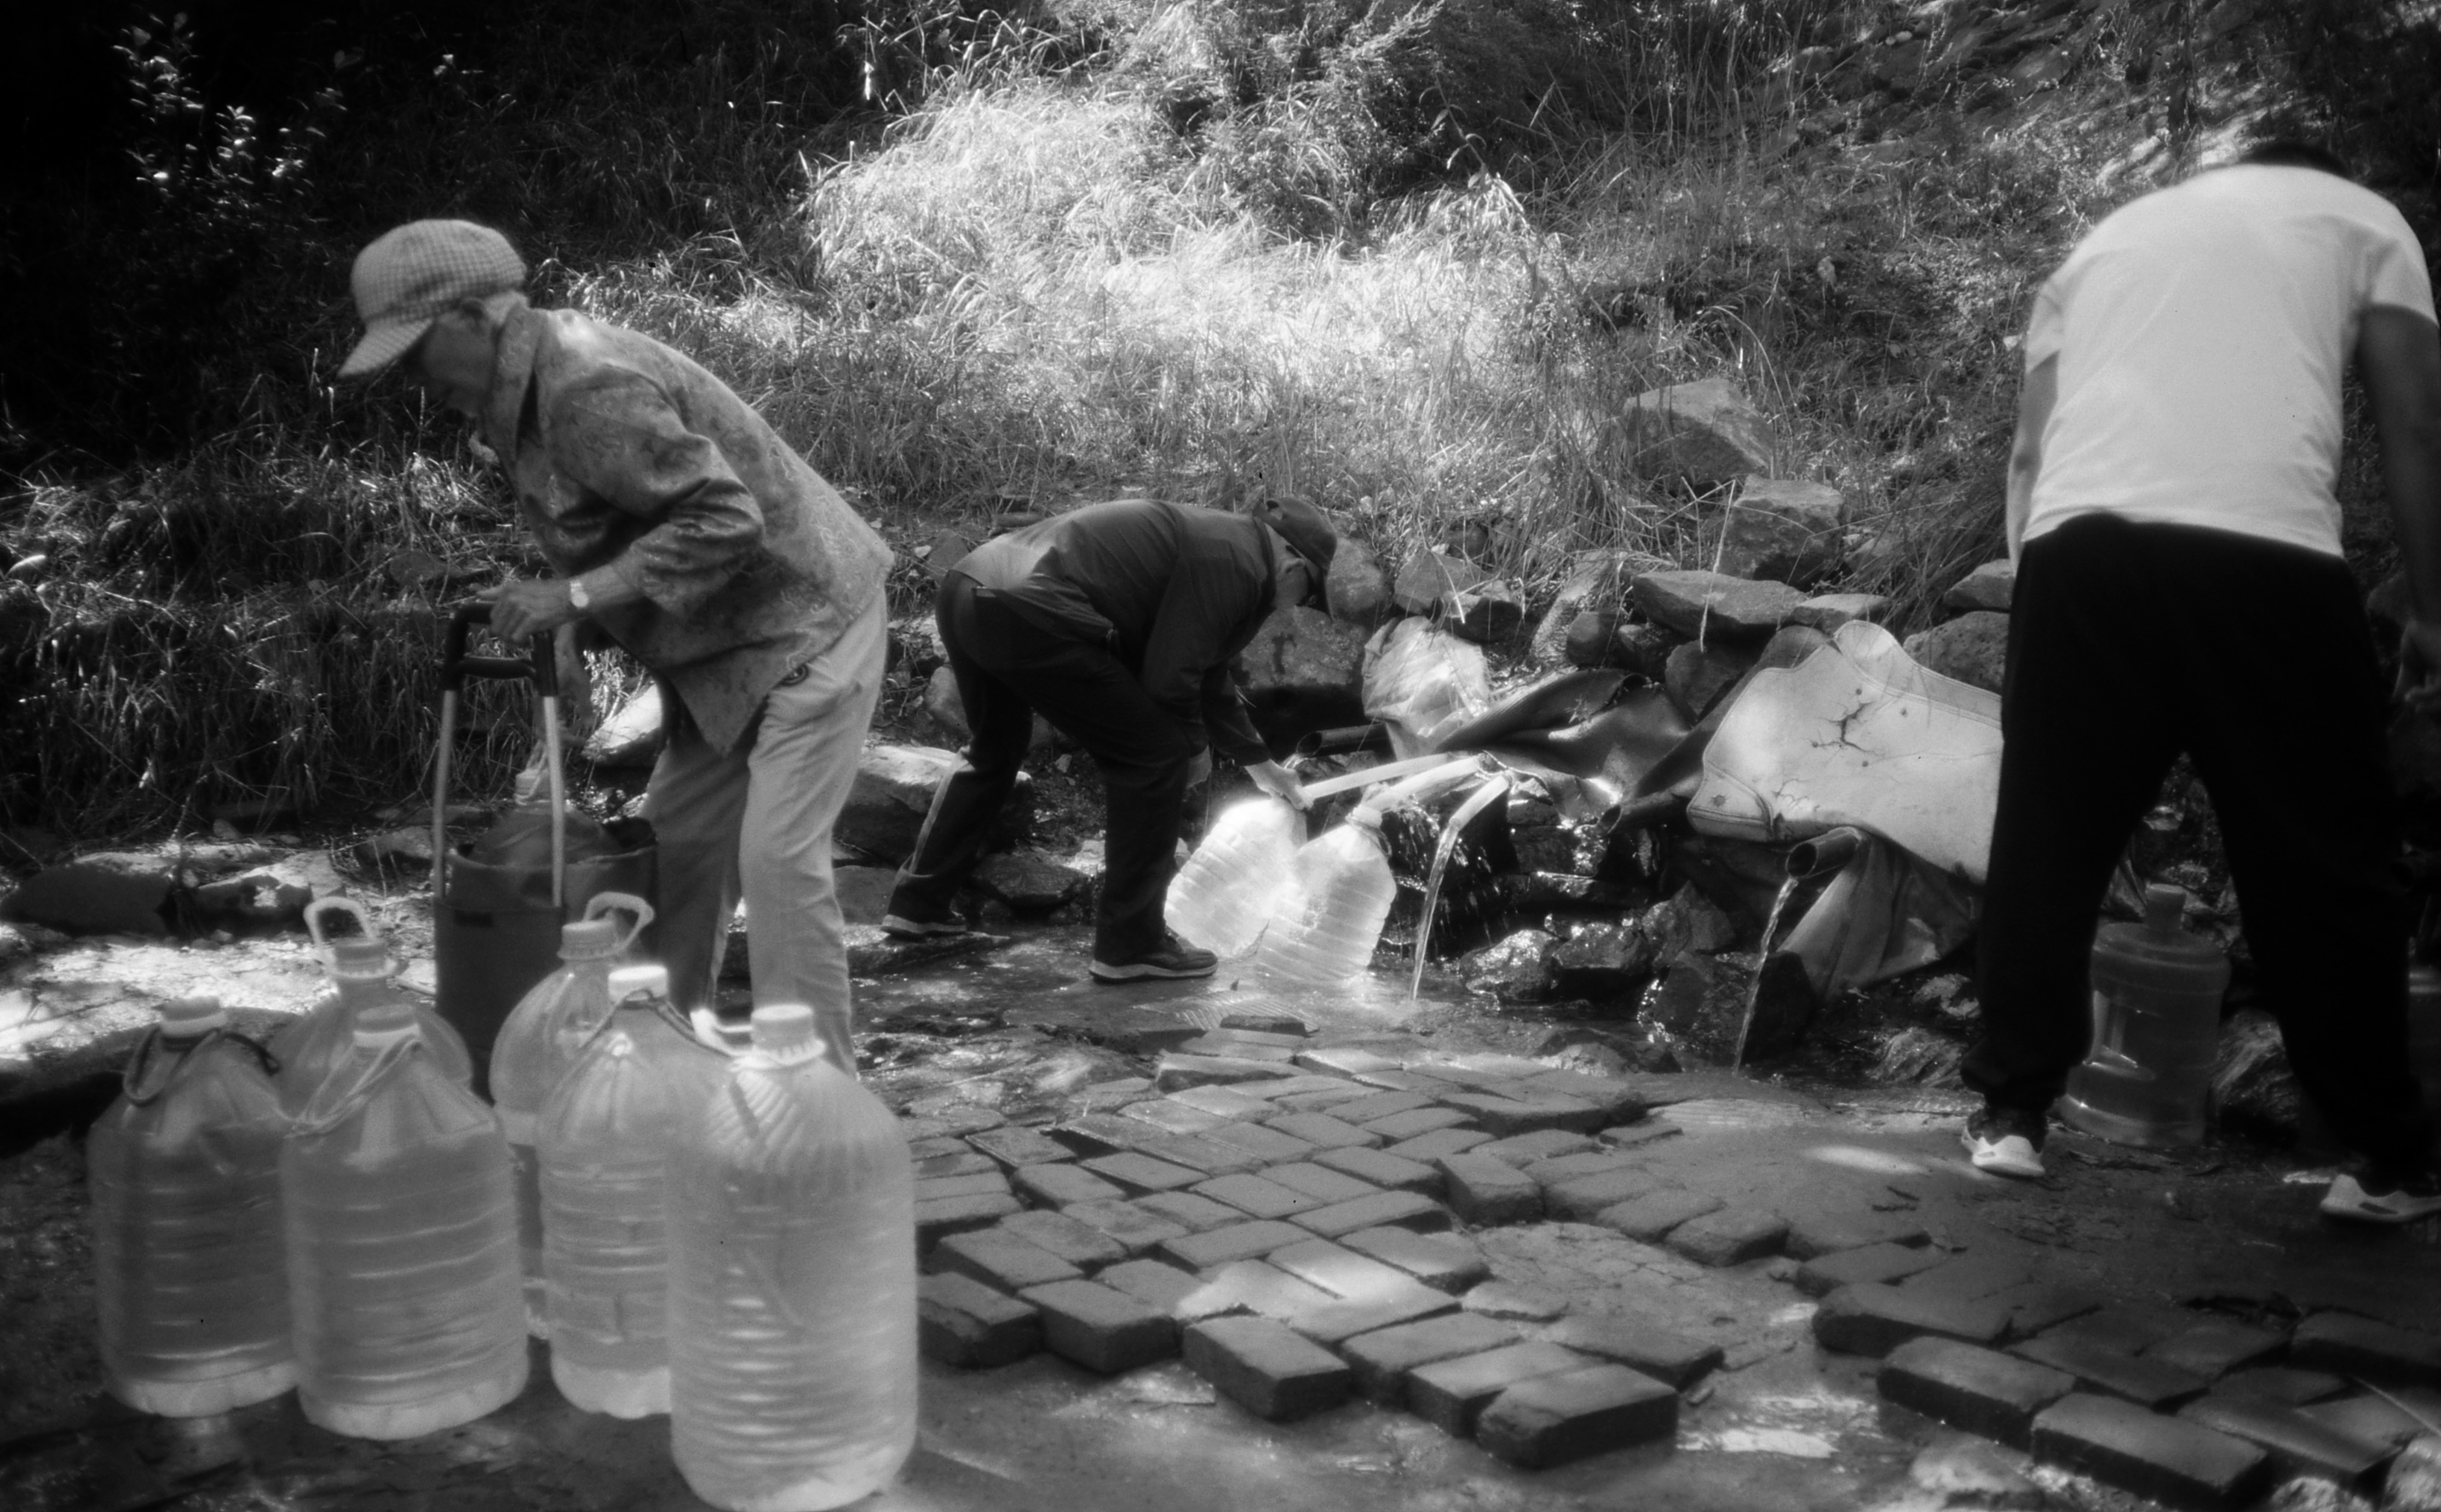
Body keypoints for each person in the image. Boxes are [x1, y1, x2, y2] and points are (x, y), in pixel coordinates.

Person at [1958, 141, 2441, 1222]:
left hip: (2080, 556)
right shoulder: (2362, 215)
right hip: (2266, 560)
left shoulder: (2102, 246)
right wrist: (2434, 606)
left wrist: (2050, 605)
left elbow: (2030, 460)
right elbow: (2417, 417)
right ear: (2317, 170)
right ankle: (2381, 1160)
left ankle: (2011, 1118)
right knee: (2323, 858)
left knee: (2050, 838)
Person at [339, 219, 894, 1071]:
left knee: (777, 868)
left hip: (808, 628)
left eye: (414, 353)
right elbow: (621, 523)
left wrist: (573, 597)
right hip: (722, 658)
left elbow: (723, 518)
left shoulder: (580, 383)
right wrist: (576, 617)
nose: (411, 379)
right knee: (670, 865)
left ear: (473, 316)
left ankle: (819, 1097)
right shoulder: (518, 399)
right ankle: (658, 1075)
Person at [884, 497, 1328, 981]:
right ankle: (1130, 944)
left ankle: (919, 905)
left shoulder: (1230, 544)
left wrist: (1260, 764)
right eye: (1308, 593)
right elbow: (1170, 679)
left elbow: (1207, 670)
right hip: (1030, 609)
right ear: (1292, 562)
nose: (1299, 606)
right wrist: (1193, 749)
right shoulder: (1236, 563)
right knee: (1154, 757)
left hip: (969, 588)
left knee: (995, 747)